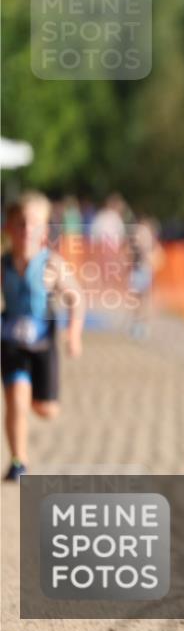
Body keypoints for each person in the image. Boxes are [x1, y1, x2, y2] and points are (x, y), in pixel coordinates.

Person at [1, 192, 85, 481]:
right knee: (15, 399)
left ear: (45, 231)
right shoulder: (4, 265)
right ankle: (18, 461)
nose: (26, 230)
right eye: (20, 223)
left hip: (43, 343)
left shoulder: (51, 264)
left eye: (34, 224)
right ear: (8, 228)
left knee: (46, 409)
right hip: (11, 341)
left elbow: (77, 298)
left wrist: (73, 334)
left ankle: (42, 403)